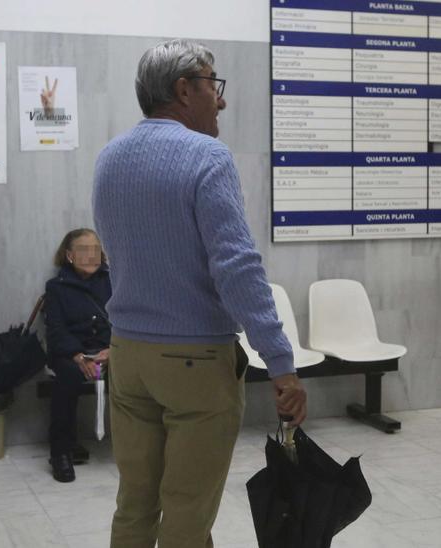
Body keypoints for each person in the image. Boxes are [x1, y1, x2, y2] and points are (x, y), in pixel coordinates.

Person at [93, 39, 308, 547]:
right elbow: (236, 266)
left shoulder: (109, 157)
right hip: (193, 362)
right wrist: (279, 360)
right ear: (184, 89)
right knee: (188, 511)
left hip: (128, 356)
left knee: (135, 503)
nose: (222, 100)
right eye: (215, 85)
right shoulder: (207, 156)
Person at [43, 228, 112, 483]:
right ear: (70, 256)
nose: (91, 256)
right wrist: (78, 355)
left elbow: (127, 319)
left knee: (137, 370)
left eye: (95, 249)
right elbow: (56, 330)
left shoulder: (114, 281)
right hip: (71, 353)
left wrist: (115, 350)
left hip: (110, 350)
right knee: (68, 378)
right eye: (84, 250)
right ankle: (61, 451)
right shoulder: (56, 288)